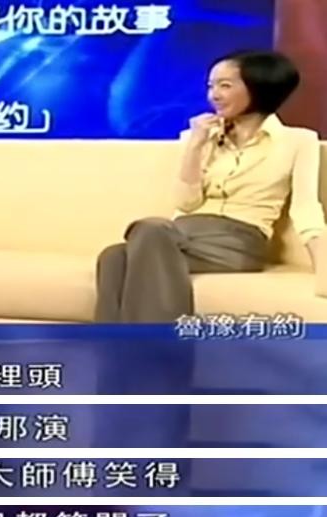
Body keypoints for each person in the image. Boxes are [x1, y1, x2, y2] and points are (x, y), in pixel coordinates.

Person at [95, 50, 325, 323]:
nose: (214, 95)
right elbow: (186, 203)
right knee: (114, 257)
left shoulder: (298, 141)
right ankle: (124, 348)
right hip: (180, 235)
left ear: (259, 87)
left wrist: (322, 266)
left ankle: (155, 346)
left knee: (150, 230)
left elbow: (306, 208)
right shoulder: (197, 137)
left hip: (236, 241)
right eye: (211, 86)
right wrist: (196, 144)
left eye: (225, 85)